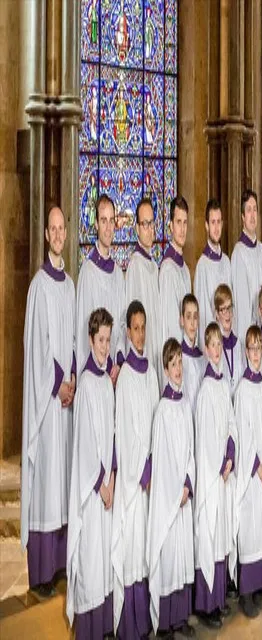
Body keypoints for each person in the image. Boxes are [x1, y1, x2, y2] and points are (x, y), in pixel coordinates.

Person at [21, 205, 76, 596]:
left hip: (66, 399)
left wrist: (72, 377)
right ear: (46, 236)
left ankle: (58, 566)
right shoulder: (39, 286)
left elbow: (73, 338)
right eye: (52, 229)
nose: (58, 235)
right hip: (47, 402)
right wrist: (57, 382)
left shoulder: (70, 284)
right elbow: (36, 347)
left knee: (63, 479)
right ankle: (40, 573)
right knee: (47, 483)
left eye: (62, 229)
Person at [66, 308, 116, 638]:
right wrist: (100, 482)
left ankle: (104, 628)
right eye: (100, 340)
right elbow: (84, 441)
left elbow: (111, 432)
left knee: (104, 560)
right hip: (92, 489)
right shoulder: (85, 383)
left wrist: (112, 474)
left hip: (107, 485)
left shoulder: (106, 383)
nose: (105, 347)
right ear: (90, 339)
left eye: (109, 340)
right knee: (91, 558)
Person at [112, 301, 159, 639]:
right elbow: (125, 430)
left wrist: (153, 463)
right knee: (132, 551)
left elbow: (158, 422)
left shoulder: (152, 372)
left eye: (144, 327)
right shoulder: (126, 376)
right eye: (135, 328)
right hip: (133, 481)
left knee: (146, 551)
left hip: (149, 477)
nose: (140, 334)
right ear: (127, 332)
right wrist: (139, 469)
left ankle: (146, 622)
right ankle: (130, 625)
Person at [147, 339, 196, 638]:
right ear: (165, 370)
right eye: (173, 365)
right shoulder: (163, 410)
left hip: (183, 496)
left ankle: (180, 619)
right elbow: (160, 460)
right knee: (169, 559)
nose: (178, 369)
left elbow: (190, 450)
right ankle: (165, 624)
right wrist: (174, 491)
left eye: (180, 363)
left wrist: (188, 483)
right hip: (169, 500)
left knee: (182, 559)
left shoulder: (185, 404)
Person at [194, 322, 237, 630]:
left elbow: (231, 422)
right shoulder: (206, 388)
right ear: (205, 349)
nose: (217, 349)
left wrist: (231, 453)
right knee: (210, 536)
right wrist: (219, 461)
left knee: (220, 535)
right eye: (212, 345)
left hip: (223, 471)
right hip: (212, 475)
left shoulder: (223, 383)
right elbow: (206, 438)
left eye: (220, 344)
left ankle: (219, 600)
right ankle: (207, 605)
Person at [234, 326, 262, 619]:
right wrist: (256, 464)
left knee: (261, 528)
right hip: (250, 472)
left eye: (260, 348)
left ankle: (259, 587)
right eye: (252, 349)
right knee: (249, 528)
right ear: (246, 353)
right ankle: (246, 591)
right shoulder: (244, 388)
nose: (256, 354)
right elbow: (243, 433)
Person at [76, 194, 126, 382]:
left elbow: (121, 325)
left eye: (111, 221)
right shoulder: (87, 273)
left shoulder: (118, 274)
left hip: (113, 373)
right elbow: (83, 327)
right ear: (96, 224)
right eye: (103, 221)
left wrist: (118, 362)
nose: (107, 228)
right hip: (93, 373)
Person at [125, 197, 161, 386]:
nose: (149, 229)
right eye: (145, 224)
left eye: (152, 223)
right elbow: (134, 320)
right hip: (141, 356)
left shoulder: (154, 266)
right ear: (137, 228)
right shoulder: (135, 265)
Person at [194, 199, 232, 350]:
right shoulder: (202, 266)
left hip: (227, 341)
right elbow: (202, 314)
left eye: (218, 222)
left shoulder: (227, 262)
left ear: (222, 224)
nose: (216, 228)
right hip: (212, 346)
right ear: (206, 225)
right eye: (213, 222)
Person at [231, 189, 262, 341]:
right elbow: (242, 305)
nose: (252, 215)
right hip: (249, 334)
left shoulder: (260, 249)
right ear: (242, 217)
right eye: (248, 210)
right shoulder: (239, 252)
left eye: (255, 210)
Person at [159, 196, 192, 351]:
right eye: (178, 223)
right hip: (175, 353)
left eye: (185, 223)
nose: (182, 229)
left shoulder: (184, 268)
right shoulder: (167, 269)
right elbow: (170, 322)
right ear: (171, 226)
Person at [214, 284, 244, 399]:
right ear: (216, 314)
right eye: (222, 309)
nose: (227, 314)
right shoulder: (215, 348)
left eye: (229, 307)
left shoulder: (239, 346)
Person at [180, 294, 205, 417]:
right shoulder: (177, 358)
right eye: (188, 317)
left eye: (195, 317)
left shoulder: (203, 359)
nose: (192, 323)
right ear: (182, 320)